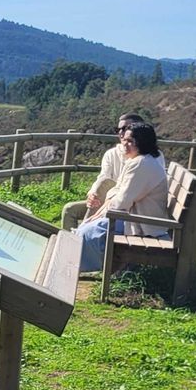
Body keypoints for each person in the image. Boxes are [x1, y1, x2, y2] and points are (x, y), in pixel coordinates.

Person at [75, 122, 170, 272]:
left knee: (89, 232)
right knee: (87, 227)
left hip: (143, 224)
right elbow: (117, 191)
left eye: (130, 141)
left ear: (142, 142)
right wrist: (108, 202)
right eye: (124, 139)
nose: (125, 144)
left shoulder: (142, 164)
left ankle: (78, 267)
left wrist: (105, 207)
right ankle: (83, 265)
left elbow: (122, 201)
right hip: (133, 216)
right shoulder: (138, 160)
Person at [61, 113, 147, 230]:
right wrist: (92, 194)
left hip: (127, 208)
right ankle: (79, 234)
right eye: (118, 129)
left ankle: (83, 232)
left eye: (125, 128)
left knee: (106, 184)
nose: (121, 133)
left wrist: (107, 202)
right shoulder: (111, 154)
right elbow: (103, 176)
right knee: (69, 210)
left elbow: (128, 193)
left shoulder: (145, 160)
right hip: (105, 201)